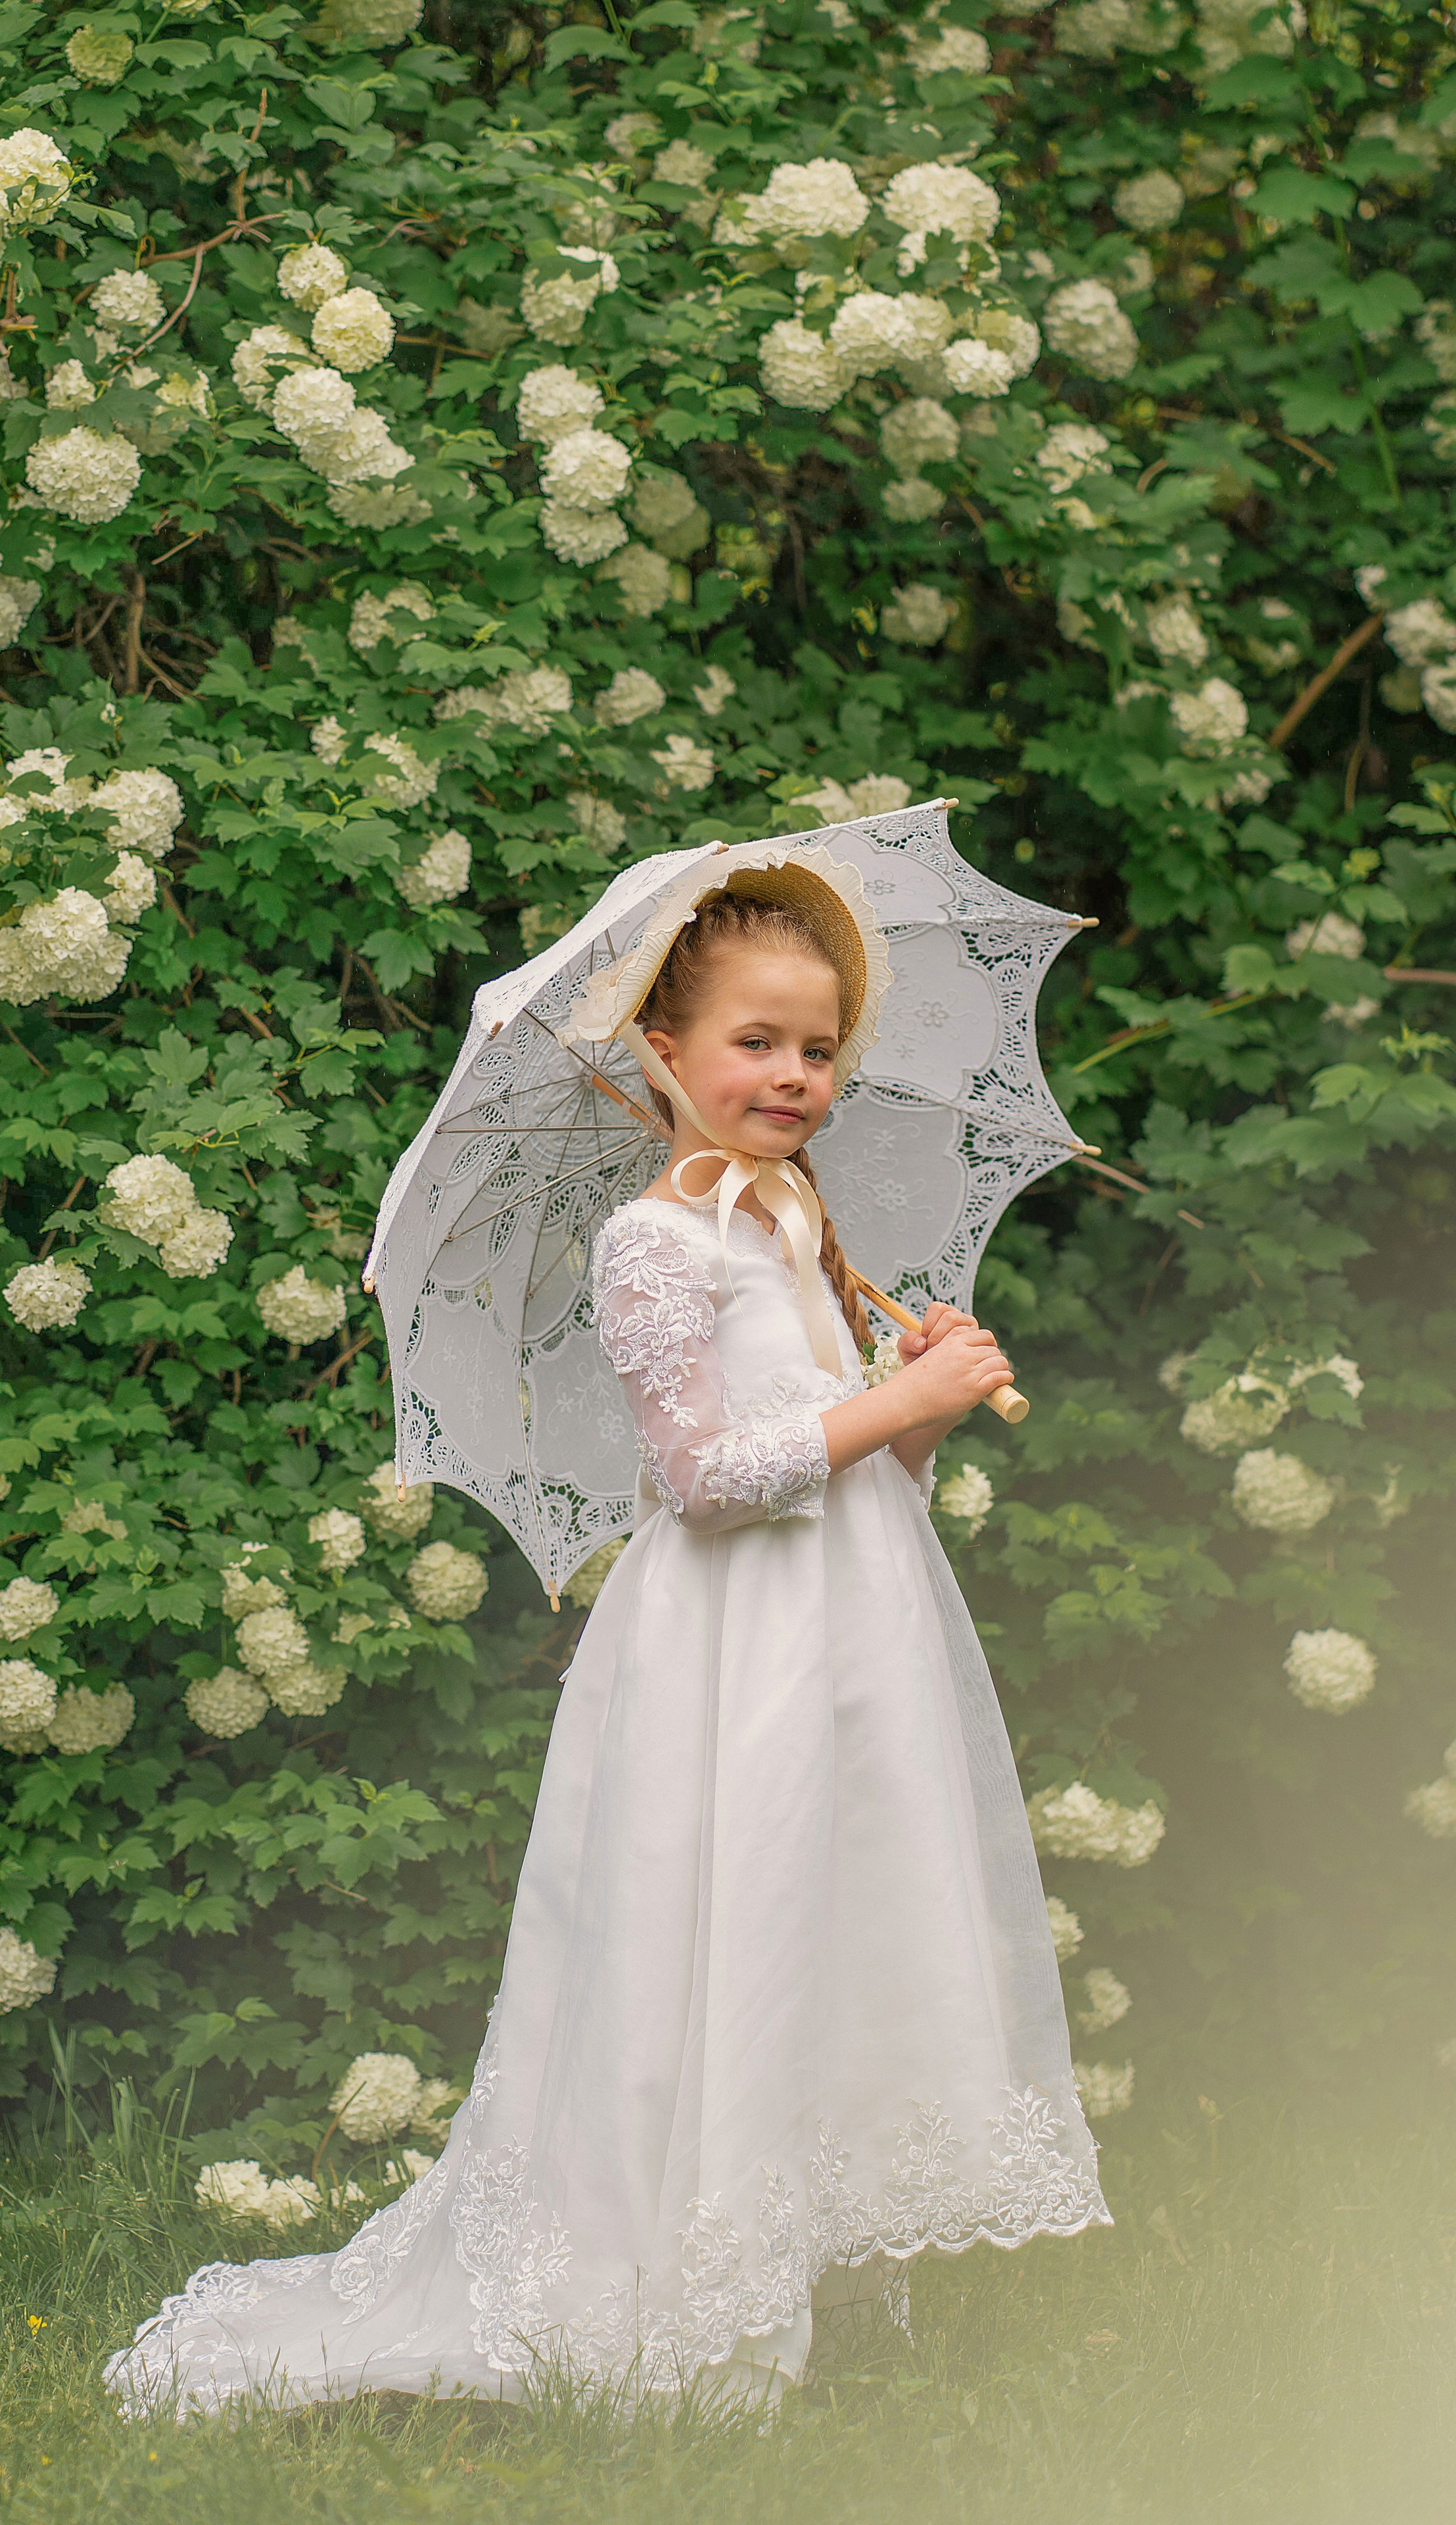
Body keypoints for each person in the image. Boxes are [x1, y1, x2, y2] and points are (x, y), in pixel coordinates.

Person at [105, 848, 1110, 2422]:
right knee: (730, 1895)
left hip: (850, 1626)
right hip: (732, 1642)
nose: (791, 1074)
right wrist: (881, 1404)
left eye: (818, 1047)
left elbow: (858, 1457)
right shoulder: (654, 1241)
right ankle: (677, 2273)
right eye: (755, 1043)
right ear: (664, 1053)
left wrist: (924, 1400)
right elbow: (705, 1477)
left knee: (834, 1898)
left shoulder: (794, 1224)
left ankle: (808, 2248)